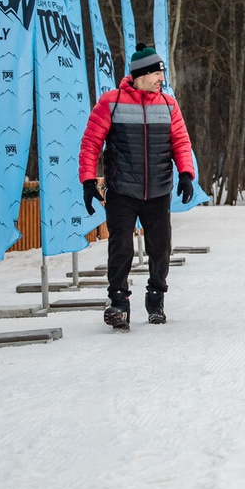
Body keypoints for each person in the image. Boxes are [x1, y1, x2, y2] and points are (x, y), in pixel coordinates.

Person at [79, 44, 195, 330]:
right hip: (122, 190)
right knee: (121, 247)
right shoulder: (111, 102)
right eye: (157, 72)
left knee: (160, 248)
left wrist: (186, 174)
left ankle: (156, 298)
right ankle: (118, 302)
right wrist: (88, 180)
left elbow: (180, 142)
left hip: (157, 190)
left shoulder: (168, 104)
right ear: (141, 74)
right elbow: (91, 142)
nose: (161, 79)